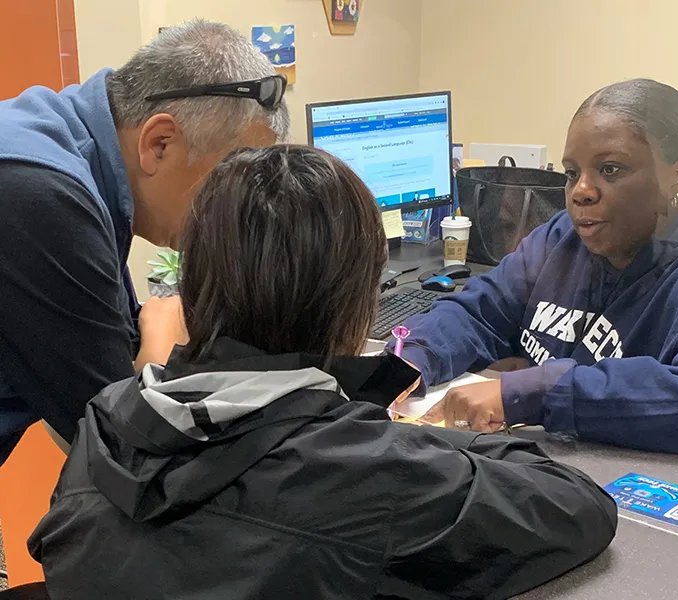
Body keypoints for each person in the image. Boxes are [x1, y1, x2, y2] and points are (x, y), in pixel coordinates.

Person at [29, 145, 617, 600]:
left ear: (194, 287)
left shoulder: (104, 421)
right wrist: (405, 436)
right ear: (356, 306)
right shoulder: (369, 472)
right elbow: (578, 507)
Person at [391, 79, 678, 457]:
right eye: (572, 173)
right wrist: (411, 359)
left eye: (610, 169)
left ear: (674, 178)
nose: (581, 191)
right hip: (542, 465)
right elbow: (481, 314)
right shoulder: (563, 236)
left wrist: (535, 392)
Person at [0, 20, 289, 464]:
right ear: (159, 143)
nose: (233, 212)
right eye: (227, 183)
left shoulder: (79, 155)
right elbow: (119, 448)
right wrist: (156, 345)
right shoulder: (39, 194)